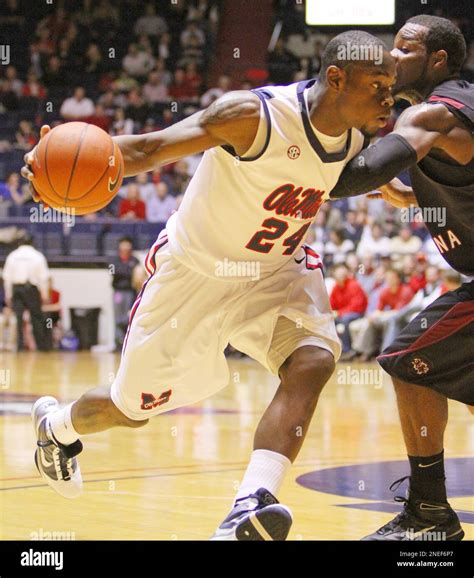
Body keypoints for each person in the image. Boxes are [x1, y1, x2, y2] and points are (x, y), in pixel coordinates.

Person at [23, 31, 396, 540]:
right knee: (131, 410)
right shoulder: (251, 116)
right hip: (194, 274)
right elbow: (151, 148)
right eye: (377, 84)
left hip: (275, 269)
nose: (388, 97)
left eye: (391, 85)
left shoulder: (356, 136)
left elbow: (333, 178)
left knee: (314, 360)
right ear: (336, 78)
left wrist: (398, 191)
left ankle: (251, 502)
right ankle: (58, 427)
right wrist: (57, 161)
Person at [331, 15, 473, 541]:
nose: (391, 57)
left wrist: (283, 164)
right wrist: (414, 197)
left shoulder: (437, 114)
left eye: (403, 49)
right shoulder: (455, 113)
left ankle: (429, 513)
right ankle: (430, 513)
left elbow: (362, 172)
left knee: (409, 361)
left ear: (436, 60)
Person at [2, 236, 50, 352]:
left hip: (17, 289)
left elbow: (7, 278)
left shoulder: (13, 256)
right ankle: (40, 345)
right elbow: (43, 277)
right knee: (36, 318)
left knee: (18, 318)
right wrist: (44, 293)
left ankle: (19, 346)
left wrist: (8, 295)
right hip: (31, 289)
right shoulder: (37, 256)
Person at [111, 238, 140, 350]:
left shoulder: (135, 260)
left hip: (130, 292)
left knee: (128, 316)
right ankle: (118, 343)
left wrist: (123, 272)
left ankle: (127, 343)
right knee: (117, 316)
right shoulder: (114, 260)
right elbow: (113, 272)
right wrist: (127, 271)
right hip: (118, 292)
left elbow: (136, 273)